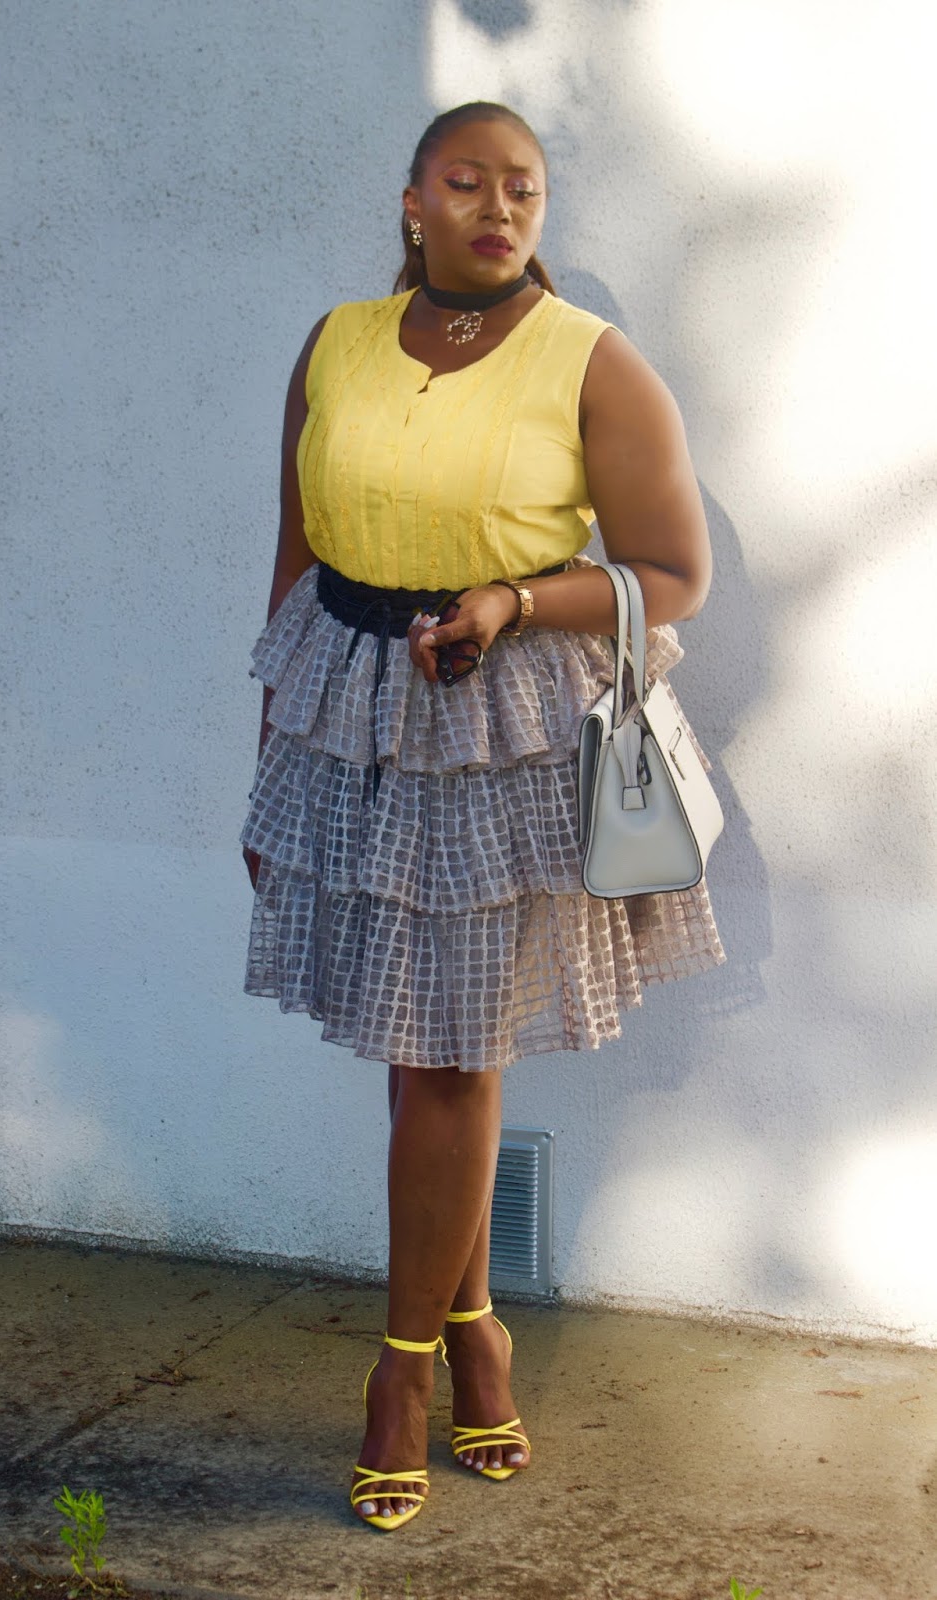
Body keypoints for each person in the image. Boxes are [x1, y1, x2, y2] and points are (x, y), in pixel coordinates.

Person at [241, 101, 724, 1531]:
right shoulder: (333, 346)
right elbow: (293, 563)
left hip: (502, 727)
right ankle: (474, 1334)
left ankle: (400, 1378)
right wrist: (268, 765)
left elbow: (672, 571)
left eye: (523, 188)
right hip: (348, 714)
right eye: (466, 182)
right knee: (419, 1044)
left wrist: (514, 599)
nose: (497, 208)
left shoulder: (590, 360)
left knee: (451, 1055)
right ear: (412, 201)